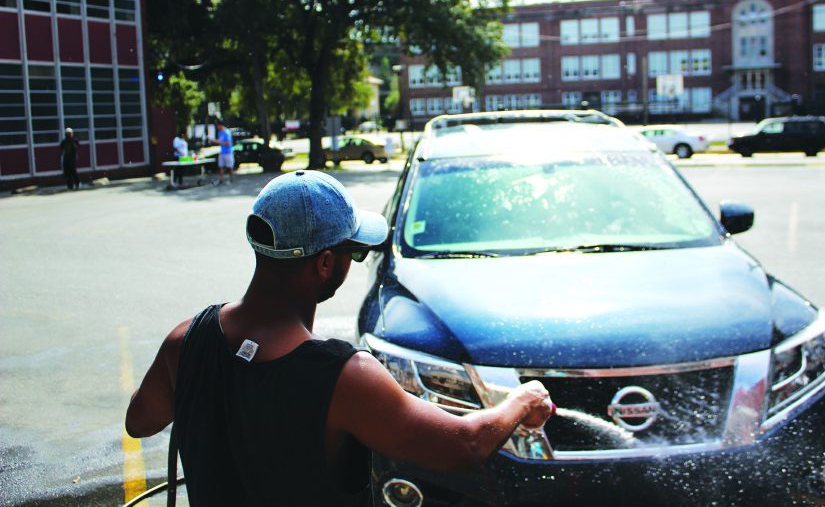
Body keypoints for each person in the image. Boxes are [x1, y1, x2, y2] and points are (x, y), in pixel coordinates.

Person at [125, 171, 553, 505]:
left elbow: (140, 422)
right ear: (325, 264)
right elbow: (464, 446)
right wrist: (522, 402)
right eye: (354, 251)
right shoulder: (347, 378)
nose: (353, 262)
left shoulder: (185, 340)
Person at [210, 120, 234, 185]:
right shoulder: (220, 132)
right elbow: (220, 140)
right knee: (220, 166)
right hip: (222, 152)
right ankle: (221, 179)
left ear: (221, 125)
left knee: (229, 167)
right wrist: (213, 140)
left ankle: (231, 179)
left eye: (218, 125)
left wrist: (219, 142)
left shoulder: (227, 132)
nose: (217, 127)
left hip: (228, 152)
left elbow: (228, 143)